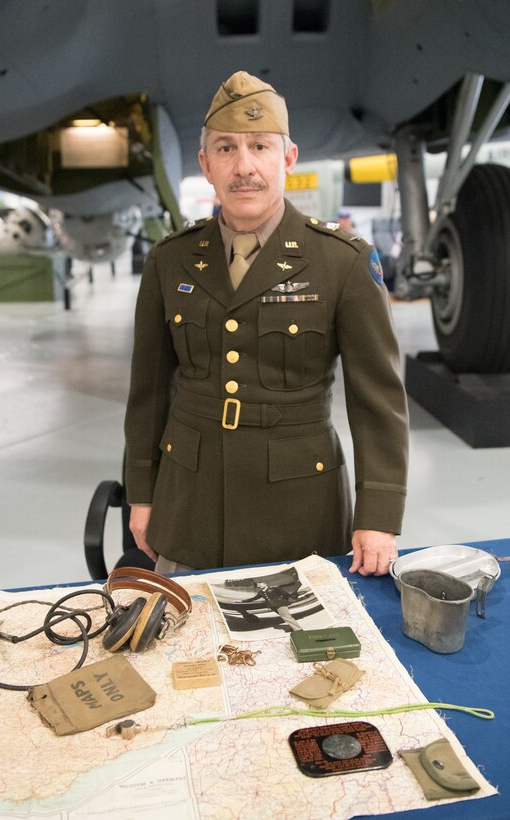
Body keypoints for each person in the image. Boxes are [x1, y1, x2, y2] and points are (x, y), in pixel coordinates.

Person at [124, 71, 409, 577]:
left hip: (299, 506)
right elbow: (147, 394)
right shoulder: (170, 260)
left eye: (260, 146)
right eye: (227, 149)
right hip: (189, 503)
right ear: (205, 165)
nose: (245, 167)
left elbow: (378, 399)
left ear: (289, 159)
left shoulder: (341, 262)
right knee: (186, 649)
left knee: (303, 653)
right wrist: (141, 496)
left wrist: (379, 515)